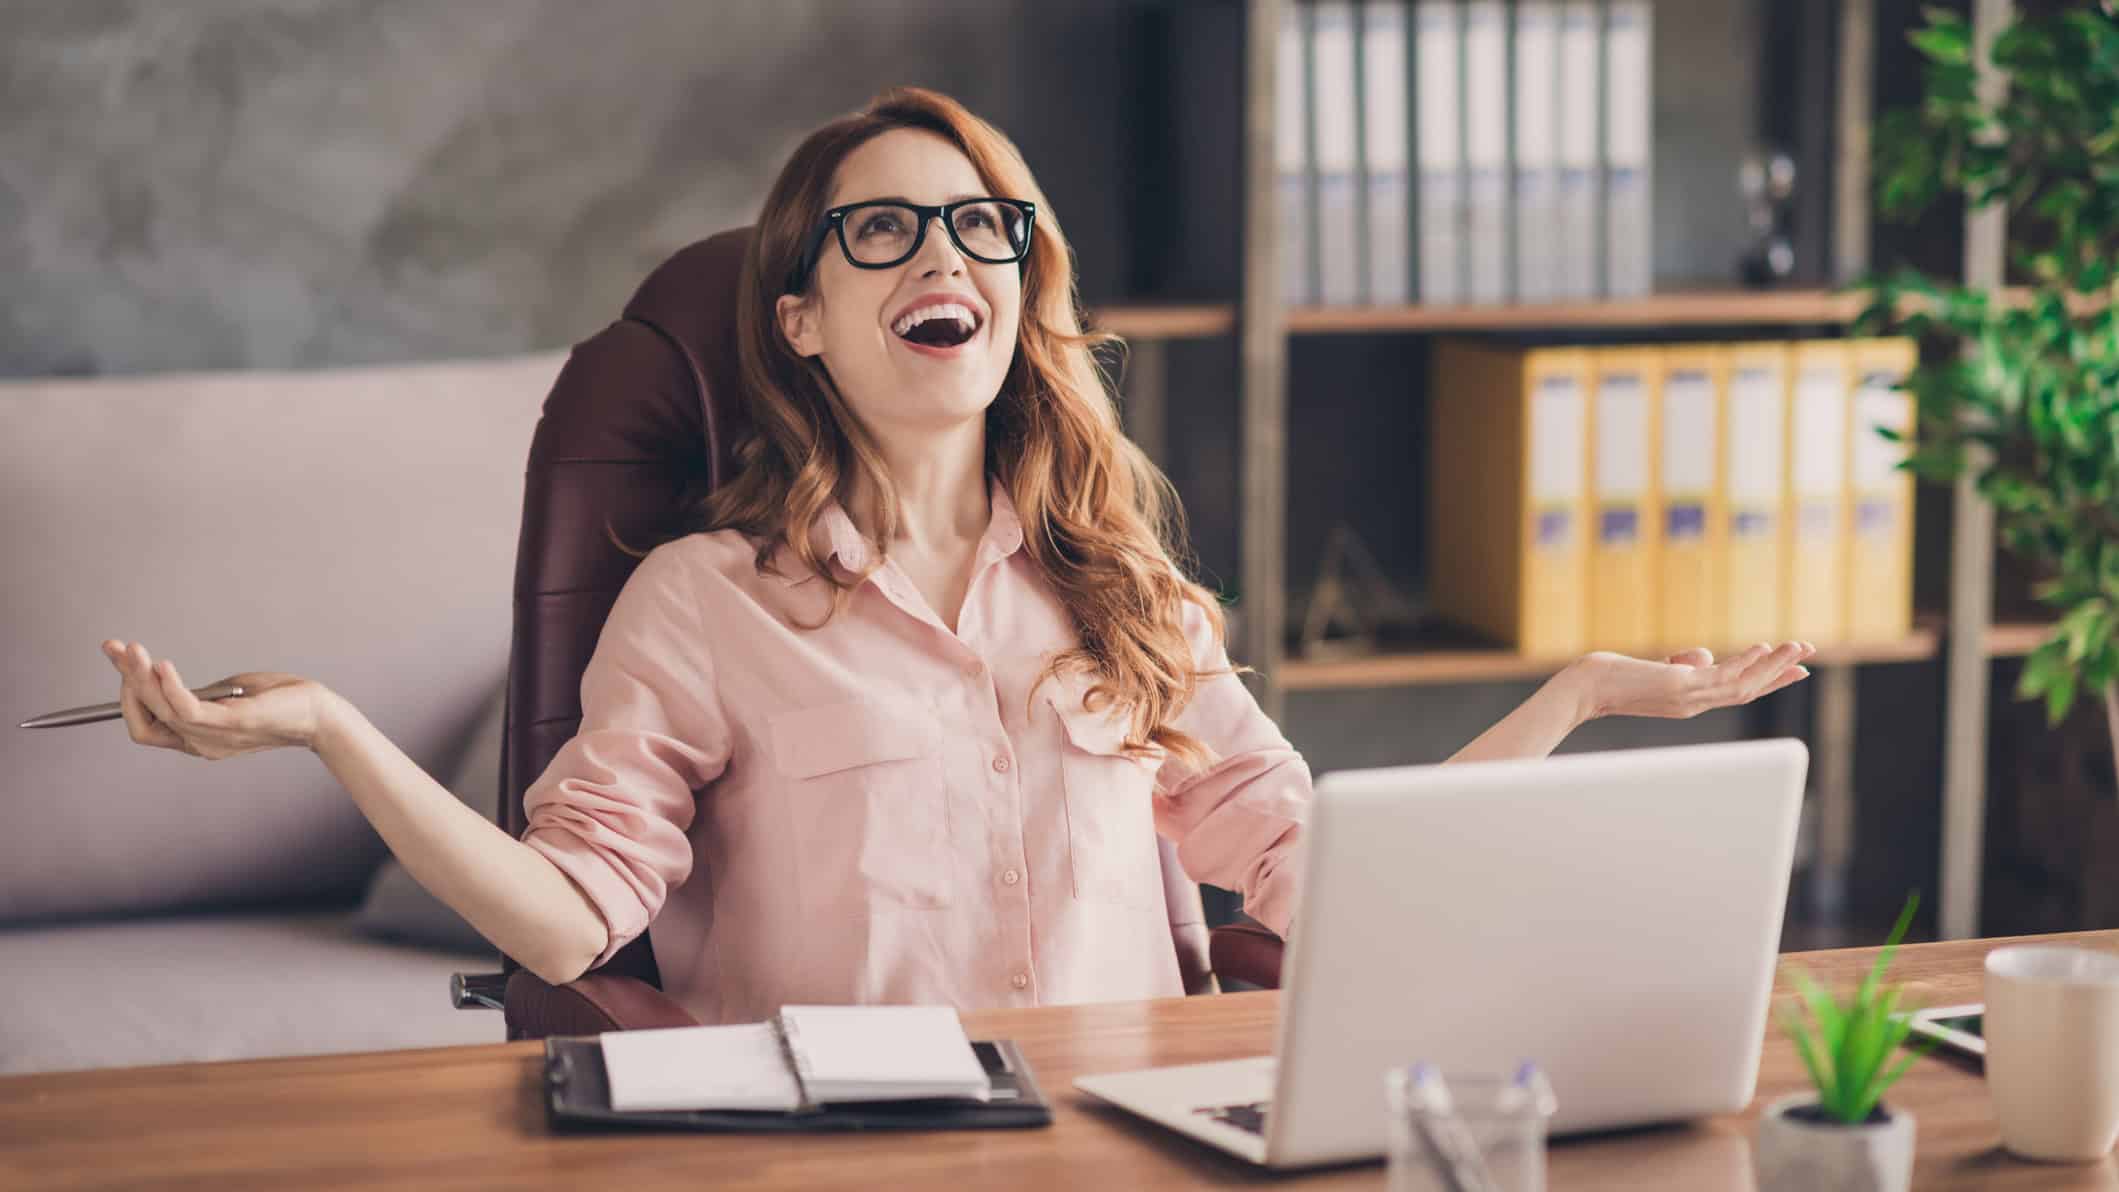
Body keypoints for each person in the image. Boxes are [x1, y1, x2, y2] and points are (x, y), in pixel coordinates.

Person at [101, 87, 1814, 1023]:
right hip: (833, 1155)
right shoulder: (699, 605)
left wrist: (1572, 699)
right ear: (806, 318)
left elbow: (1337, 877)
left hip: (1124, 1145)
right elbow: (564, 933)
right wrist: (335, 732)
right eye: (884, 229)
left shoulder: (1121, 588)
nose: (948, 252)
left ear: (1016, 293)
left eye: (983, 223)